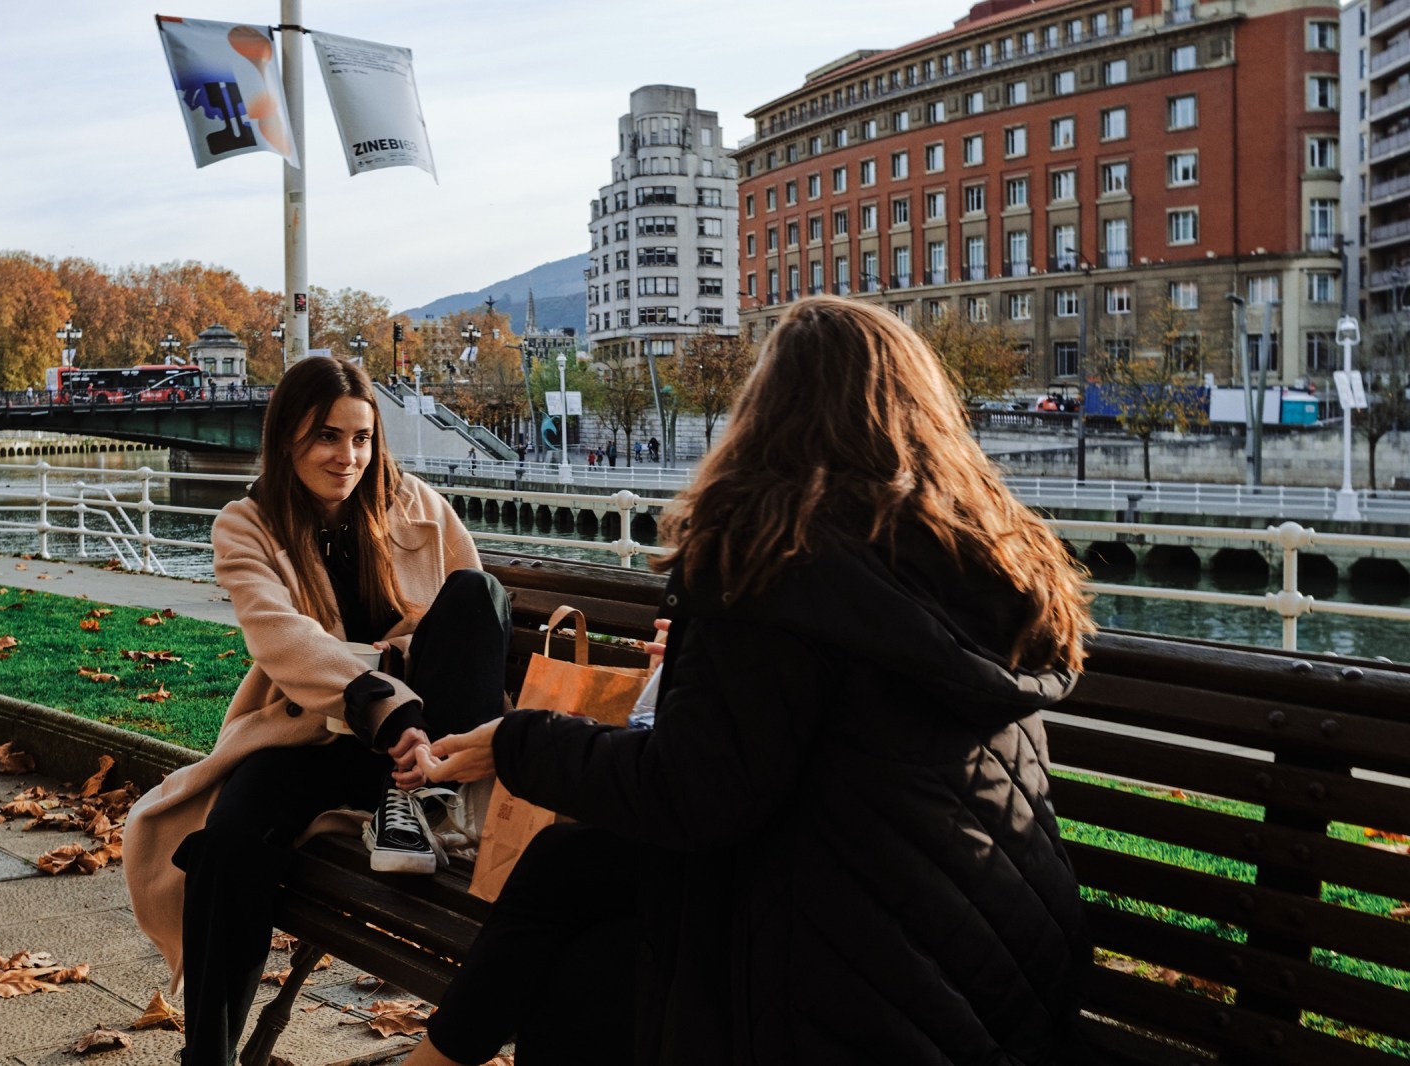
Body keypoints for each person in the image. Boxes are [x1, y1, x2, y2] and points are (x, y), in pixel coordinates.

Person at [410, 296, 1094, 1066]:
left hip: (860, 984)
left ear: (766, 415)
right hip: (1005, 965)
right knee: (573, 870)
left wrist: (516, 741)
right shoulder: (983, 553)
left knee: (585, 976)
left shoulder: (773, 558)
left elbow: (690, 796)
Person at [124, 356, 510, 1066]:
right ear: (288, 438)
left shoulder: (419, 506)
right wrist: (380, 696)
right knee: (229, 841)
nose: (349, 456)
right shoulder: (248, 525)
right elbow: (281, 636)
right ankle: (205, 1057)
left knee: (479, 594)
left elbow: (469, 626)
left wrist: (401, 686)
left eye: (362, 438)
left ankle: (426, 807)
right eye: (328, 437)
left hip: (431, 758)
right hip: (316, 739)